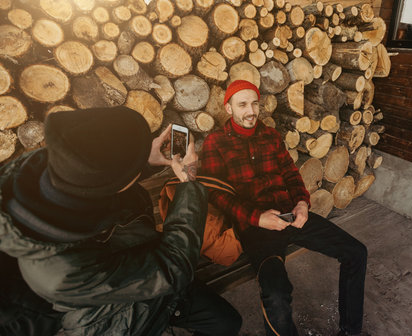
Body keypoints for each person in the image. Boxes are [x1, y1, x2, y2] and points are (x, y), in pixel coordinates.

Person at [0, 106, 241, 336]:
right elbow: (172, 267)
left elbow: (101, 178)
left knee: (227, 323)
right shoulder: (61, 273)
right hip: (119, 317)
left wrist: (144, 162)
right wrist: (188, 180)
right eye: (134, 167)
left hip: (148, 266)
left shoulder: (62, 169)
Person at [199, 80, 368, 336]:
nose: (250, 111)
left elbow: (291, 174)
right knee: (276, 293)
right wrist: (257, 218)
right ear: (229, 108)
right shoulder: (216, 142)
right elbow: (217, 195)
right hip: (255, 228)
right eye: (242, 104)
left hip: (291, 215)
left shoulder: (269, 135)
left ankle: (351, 331)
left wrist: (302, 203)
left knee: (356, 252)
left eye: (254, 103)